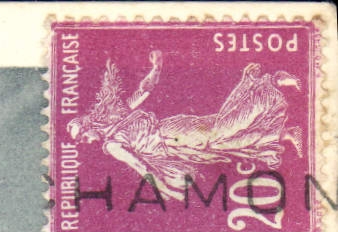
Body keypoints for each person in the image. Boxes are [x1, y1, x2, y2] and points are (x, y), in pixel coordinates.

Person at [68, 50, 303, 199]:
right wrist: (156, 70)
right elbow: (143, 91)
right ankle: (286, 134)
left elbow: (141, 167)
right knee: (227, 140)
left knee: (223, 131)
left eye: (82, 137)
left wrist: (166, 190)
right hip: (176, 138)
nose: (86, 142)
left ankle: (271, 82)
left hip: (174, 136)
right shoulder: (117, 120)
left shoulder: (111, 143)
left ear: (89, 126)